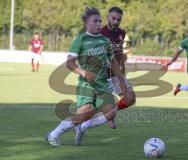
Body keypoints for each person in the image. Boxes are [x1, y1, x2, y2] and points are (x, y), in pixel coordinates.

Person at [46, 7, 128, 146]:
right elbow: (69, 63)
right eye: (95, 21)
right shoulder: (80, 40)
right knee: (82, 115)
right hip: (86, 84)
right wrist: (83, 72)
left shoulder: (104, 40)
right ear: (86, 23)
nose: (98, 23)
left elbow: (113, 62)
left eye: (99, 21)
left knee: (111, 112)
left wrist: (122, 81)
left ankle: (82, 128)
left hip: (102, 84)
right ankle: (53, 135)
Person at [73, 6, 136, 146]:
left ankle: (109, 112)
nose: (116, 21)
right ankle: (80, 127)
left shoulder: (121, 33)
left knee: (131, 99)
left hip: (114, 75)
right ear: (107, 17)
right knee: (84, 112)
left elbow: (119, 56)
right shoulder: (98, 32)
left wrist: (122, 75)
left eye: (119, 19)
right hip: (99, 77)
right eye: (113, 18)